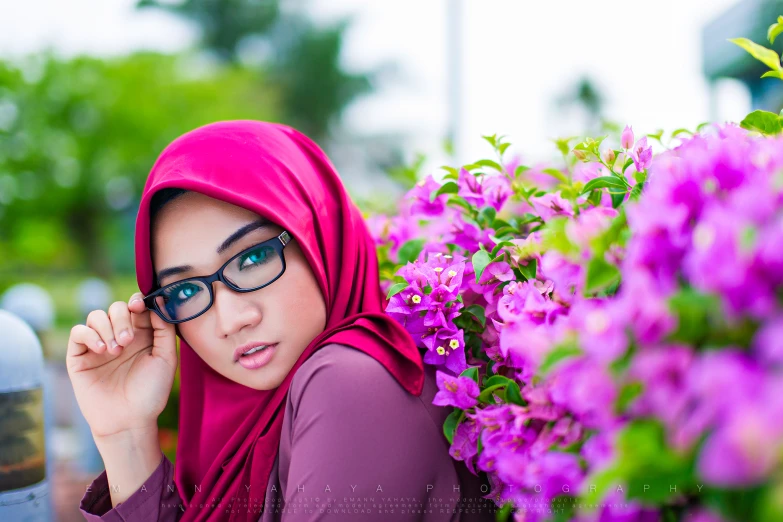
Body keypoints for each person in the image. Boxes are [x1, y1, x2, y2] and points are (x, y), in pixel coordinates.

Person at [67, 120, 499, 522]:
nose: (231, 319)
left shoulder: (349, 380)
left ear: (319, 238)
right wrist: (124, 434)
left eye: (253, 258)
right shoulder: (258, 426)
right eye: (185, 290)